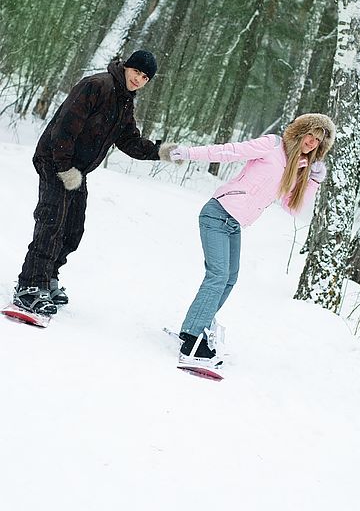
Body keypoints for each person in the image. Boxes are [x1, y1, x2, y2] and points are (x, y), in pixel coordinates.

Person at [159, 113, 336, 368]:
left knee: (229, 278)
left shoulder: (297, 166)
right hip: (218, 213)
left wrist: (314, 181)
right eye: (310, 134)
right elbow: (229, 151)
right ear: (299, 131)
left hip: (233, 224)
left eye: (318, 141)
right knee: (218, 276)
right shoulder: (272, 145)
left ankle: (196, 327)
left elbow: (292, 207)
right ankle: (191, 338)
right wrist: (187, 153)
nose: (312, 142)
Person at [13, 50, 162, 316]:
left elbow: (129, 140)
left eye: (145, 77)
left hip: (78, 170)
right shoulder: (97, 86)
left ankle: (48, 277)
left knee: (73, 228)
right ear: (126, 67)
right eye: (137, 72)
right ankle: (30, 286)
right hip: (55, 160)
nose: (139, 79)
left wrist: (161, 152)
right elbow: (65, 128)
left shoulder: (125, 101)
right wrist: (64, 168)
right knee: (52, 222)